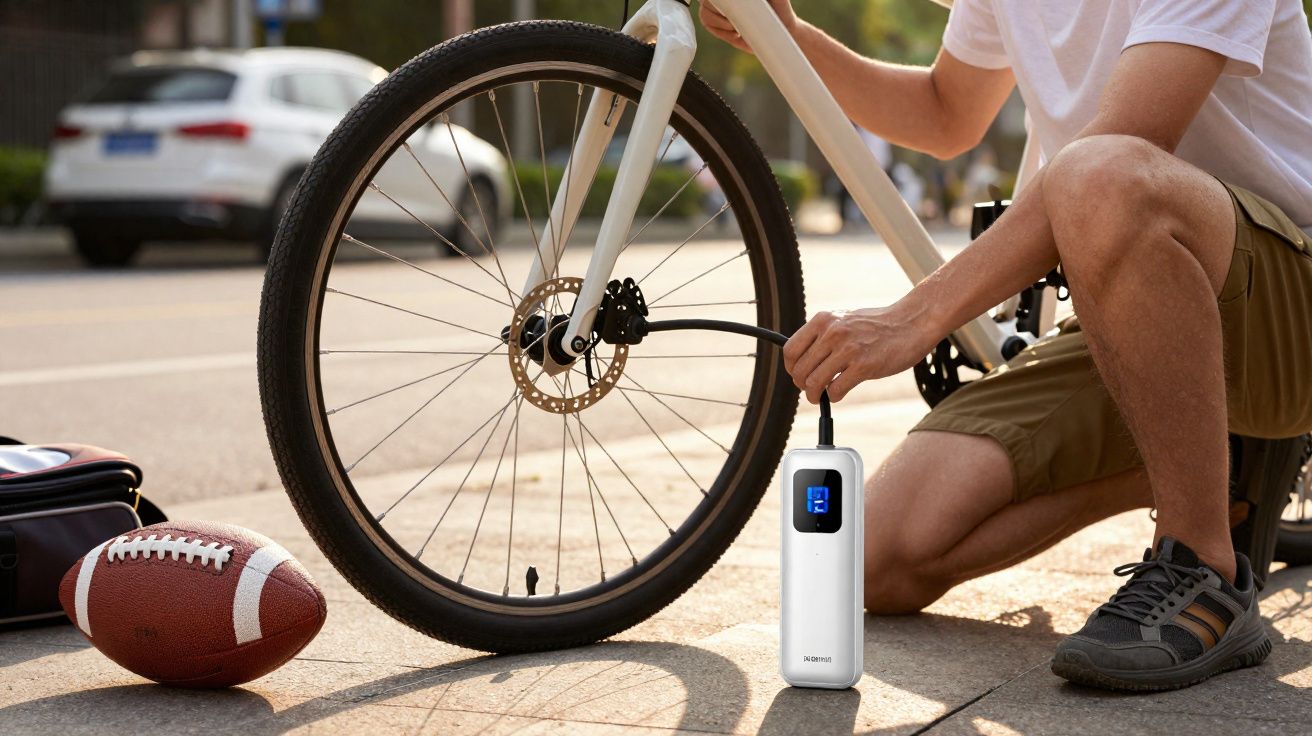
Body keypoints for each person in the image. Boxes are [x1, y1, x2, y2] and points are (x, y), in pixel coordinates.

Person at [701, 0, 1312, 691]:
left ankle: (1204, 566)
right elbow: (943, 113)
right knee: (874, 554)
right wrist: (791, 40)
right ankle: (1215, 459)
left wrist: (913, 317)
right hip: (1140, 316)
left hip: (1291, 307)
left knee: (1097, 173)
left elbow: (1118, 153)